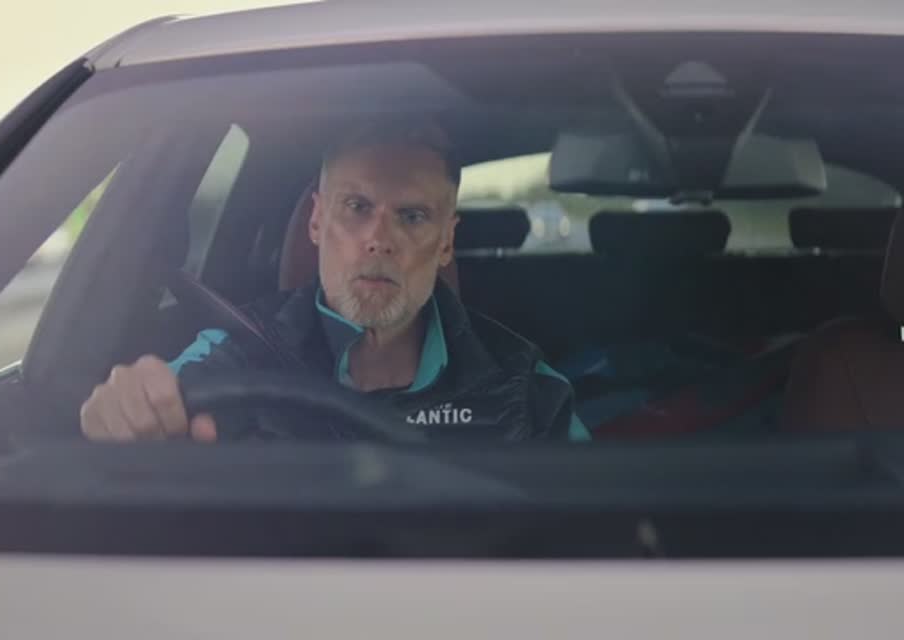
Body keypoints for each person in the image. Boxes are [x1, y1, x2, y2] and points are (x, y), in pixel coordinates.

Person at [79, 117, 589, 443]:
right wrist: (123, 412)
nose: (378, 239)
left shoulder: (524, 386)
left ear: (446, 242)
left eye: (412, 216)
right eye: (357, 207)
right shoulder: (234, 352)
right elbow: (145, 408)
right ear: (317, 222)